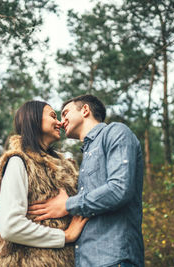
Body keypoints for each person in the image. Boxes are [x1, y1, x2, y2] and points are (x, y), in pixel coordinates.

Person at [28, 95, 144, 267]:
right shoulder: (85, 157)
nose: (61, 121)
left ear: (85, 110)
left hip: (115, 258)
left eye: (65, 113)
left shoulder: (116, 132)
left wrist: (67, 205)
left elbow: (119, 189)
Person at [0, 100, 88, 267]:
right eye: (53, 116)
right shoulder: (19, 162)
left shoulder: (66, 170)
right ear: (33, 119)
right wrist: (66, 236)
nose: (60, 123)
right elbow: (11, 226)